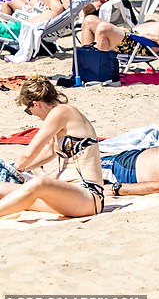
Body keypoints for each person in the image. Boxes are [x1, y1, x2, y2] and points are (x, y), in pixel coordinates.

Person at [0, 77, 104, 218]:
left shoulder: (61, 112)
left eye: (29, 111)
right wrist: (22, 170)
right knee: (3, 188)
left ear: (36, 104)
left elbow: (29, 153)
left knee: (40, 182)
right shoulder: (62, 118)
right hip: (67, 196)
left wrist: (15, 168)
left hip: (88, 195)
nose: (34, 115)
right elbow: (49, 153)